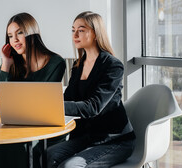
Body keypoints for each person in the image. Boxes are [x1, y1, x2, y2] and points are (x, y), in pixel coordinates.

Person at [47, 11, 135, 168]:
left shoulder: (113, 66)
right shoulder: (78, 65)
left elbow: (93, 107)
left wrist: (52, 105)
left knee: (69, 166)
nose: (75, 34)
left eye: (81, 30)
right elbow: (67, 100)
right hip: (87, 137)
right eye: (73, 30)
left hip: (113, 140)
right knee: (48, 155)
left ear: (95, 33)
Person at [0, 12, 66, 168]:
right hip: (16, 127)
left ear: (31, 32)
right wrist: (6, 64)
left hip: (43, 128)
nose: (14, 40)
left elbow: (42, 105)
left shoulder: (56, 63)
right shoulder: (12, 64)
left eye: (19, 33)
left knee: (16, 144)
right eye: (10, 36)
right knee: (4, 143)